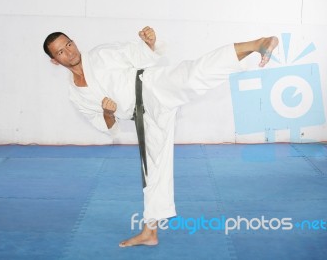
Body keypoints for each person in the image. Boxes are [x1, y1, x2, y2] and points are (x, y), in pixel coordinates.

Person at [43, 26, 278, 247]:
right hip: (142, 116)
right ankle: (150, 232)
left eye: (70, 44)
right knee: (153, 170)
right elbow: (107, 126)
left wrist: (149, 42)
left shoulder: (100, 54)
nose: (69, 52)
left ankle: (257, 43)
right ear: (54, 61)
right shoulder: (76, 95)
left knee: (192, 74)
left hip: (151, 85)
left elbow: (138, 53)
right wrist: (107, 112)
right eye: (61, 51)